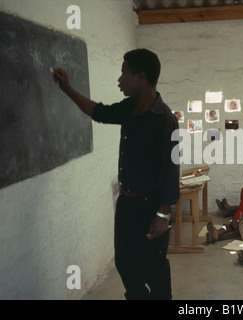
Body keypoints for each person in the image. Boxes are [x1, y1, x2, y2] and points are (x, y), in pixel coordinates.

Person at [52, 49, 180, 300]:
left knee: (153, 269)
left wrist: (163, 214)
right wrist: (66, 89)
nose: (119, 80)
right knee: (125, 263)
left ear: (141, 77)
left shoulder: (165, 119)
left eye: (124, 73)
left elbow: (170, 169)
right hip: (127, 203)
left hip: (150, 206)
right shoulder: (130, 107)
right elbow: (99, 112)